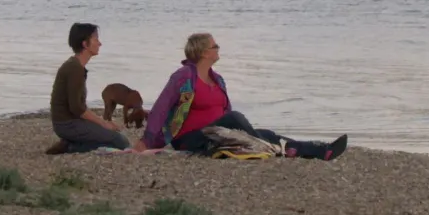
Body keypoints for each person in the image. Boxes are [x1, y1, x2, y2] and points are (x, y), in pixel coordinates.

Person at [133, 32, 347, 160]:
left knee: (266, 133)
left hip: (220, 134)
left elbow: (224, 111)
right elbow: (161, 107)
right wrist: (147, 140)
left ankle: (320, 151)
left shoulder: (217, 79)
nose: (218, 49)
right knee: (235, 118)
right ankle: (279, 148)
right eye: (214, 46)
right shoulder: (183, 77)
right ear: (203, 52)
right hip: (191, 139)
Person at [46, 22, 132, 154]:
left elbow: (79, 106)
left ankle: (76, 142)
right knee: (121, 143)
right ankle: (70, 146)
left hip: (71, 121)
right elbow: (77, 108)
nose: (99, 43)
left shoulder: (76, 66)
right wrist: (104, 124)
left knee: (116, 138)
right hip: (67, 125)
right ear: (85, 44)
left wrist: (102, 122)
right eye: (96, 39)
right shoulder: (74, 68)